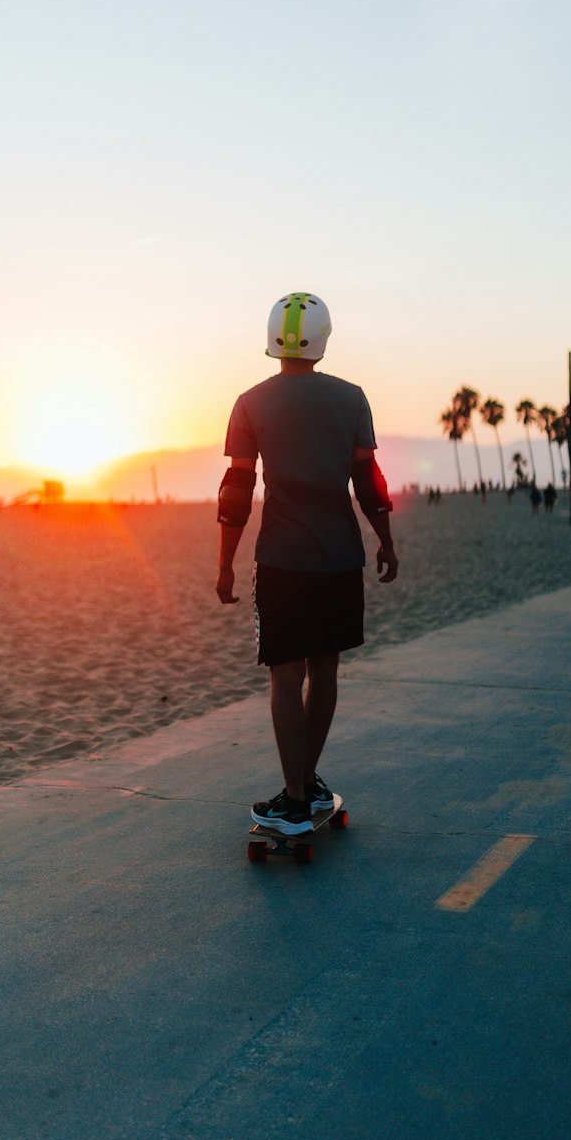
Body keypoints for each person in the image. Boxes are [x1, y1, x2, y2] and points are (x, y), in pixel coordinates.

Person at [216, 292, 399, 836]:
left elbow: (236, 490)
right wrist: (385, 540)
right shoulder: (352, 398)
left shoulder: (250, 402)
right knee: (324, 670)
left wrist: (225, 563)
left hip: (282, 561)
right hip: (339, 557)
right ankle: (308, 783)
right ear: (322, 340)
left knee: (284, 676)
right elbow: (369, 480)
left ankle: (295, 798)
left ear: (273, 339)